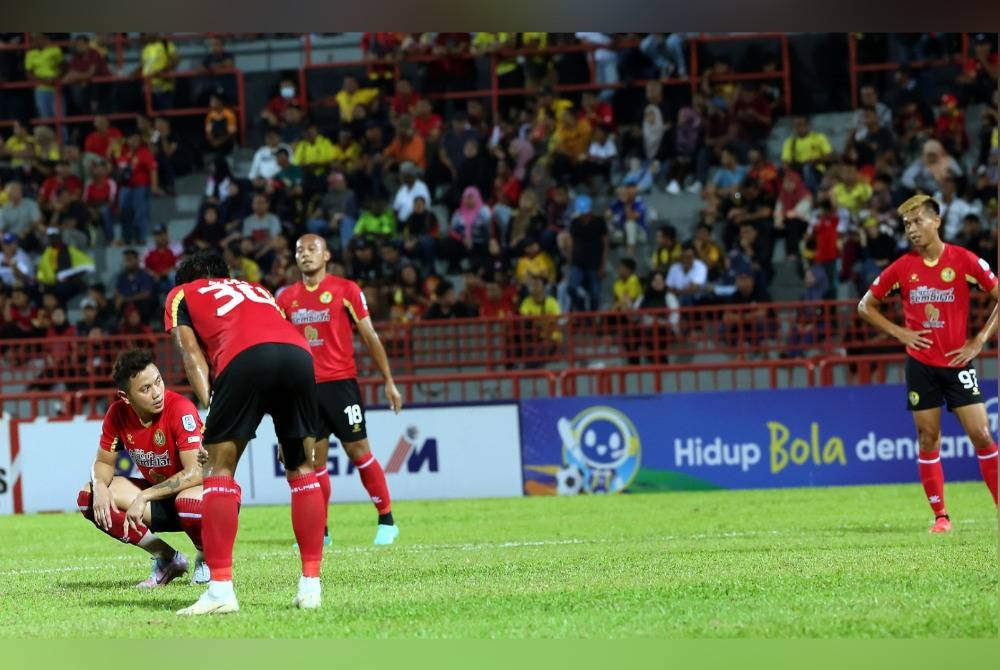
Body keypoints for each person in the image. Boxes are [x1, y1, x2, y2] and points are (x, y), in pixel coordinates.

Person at [165, 250, 326, 614]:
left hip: (245, 357)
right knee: (301, 469)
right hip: (298, 355)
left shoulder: (183, 293)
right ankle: (311, 587)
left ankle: (220, 591)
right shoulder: (258, 289)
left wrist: (210, 409)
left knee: (218, 470)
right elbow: (277, 330)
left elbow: (190, 352)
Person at [857, 194, 999, 534]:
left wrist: (979, 339)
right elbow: (865, 306)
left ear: (936, 221)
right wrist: (900, 333)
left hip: (957, 363)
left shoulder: (964, 261)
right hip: (921, 365)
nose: (912, 229)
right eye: (907, 224)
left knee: (981, 434)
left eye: (918, 221)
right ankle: (941, 517)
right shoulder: (903, 268)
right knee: (927, 438)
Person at [277, 234, 403, 544]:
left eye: (311, 249)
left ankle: (387, 520)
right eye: (299, 250)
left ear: (327, 255)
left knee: (358, 451)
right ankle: (322, 532)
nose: (305, 255)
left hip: (340, 384)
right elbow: (279, 346)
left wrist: (389, 380)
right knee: (314, 462)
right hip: (304, 389)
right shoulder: (285, 299)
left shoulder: (346, 290)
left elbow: (370, 336)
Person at [76, 348, 209, 589]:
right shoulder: (117, 414)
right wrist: (99, 485)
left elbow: (195, 473)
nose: (157, 392)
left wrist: (144, 496)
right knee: (89, 497)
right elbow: (104, 462)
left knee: (188, 503)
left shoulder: (180, 408)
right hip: (160, 497)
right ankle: (167, 558)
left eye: (158, 382)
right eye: (145, 389)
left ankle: (205, 557)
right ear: (126, 397)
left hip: (203, 494)